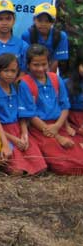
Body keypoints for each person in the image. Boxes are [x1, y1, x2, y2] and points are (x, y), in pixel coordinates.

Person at [22, 44, 83, 175]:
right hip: (40, 129)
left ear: (49, 63)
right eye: (36, 65)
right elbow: (31, 115)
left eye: (44, 64)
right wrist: (57, 136)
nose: (40, 68)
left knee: (77, 152)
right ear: (28, 65)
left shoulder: (55, 79)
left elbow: (65, 105)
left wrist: (59, 126)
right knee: (62, 165)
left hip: (58, 124)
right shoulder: (25, 83)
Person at [0, 53, 47, 175]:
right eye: (6, 70)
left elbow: (23, 113)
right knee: (17, 171)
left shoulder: (18, 87)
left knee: (41, 168)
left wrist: (24, 133)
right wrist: (13, 139)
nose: (10, 74)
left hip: (19, 129)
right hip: (2, 131)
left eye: (13, 71)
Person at [21, 3, 68, 73]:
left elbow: (55, 60)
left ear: (53, 22)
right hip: (31, 70)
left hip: (50, 69)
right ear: (34, 20)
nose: (43, 24)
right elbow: (25, 60)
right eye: (40, 20)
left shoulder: (60, 36)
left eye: (47, 21)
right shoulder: (27, 35)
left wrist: (49, 78)